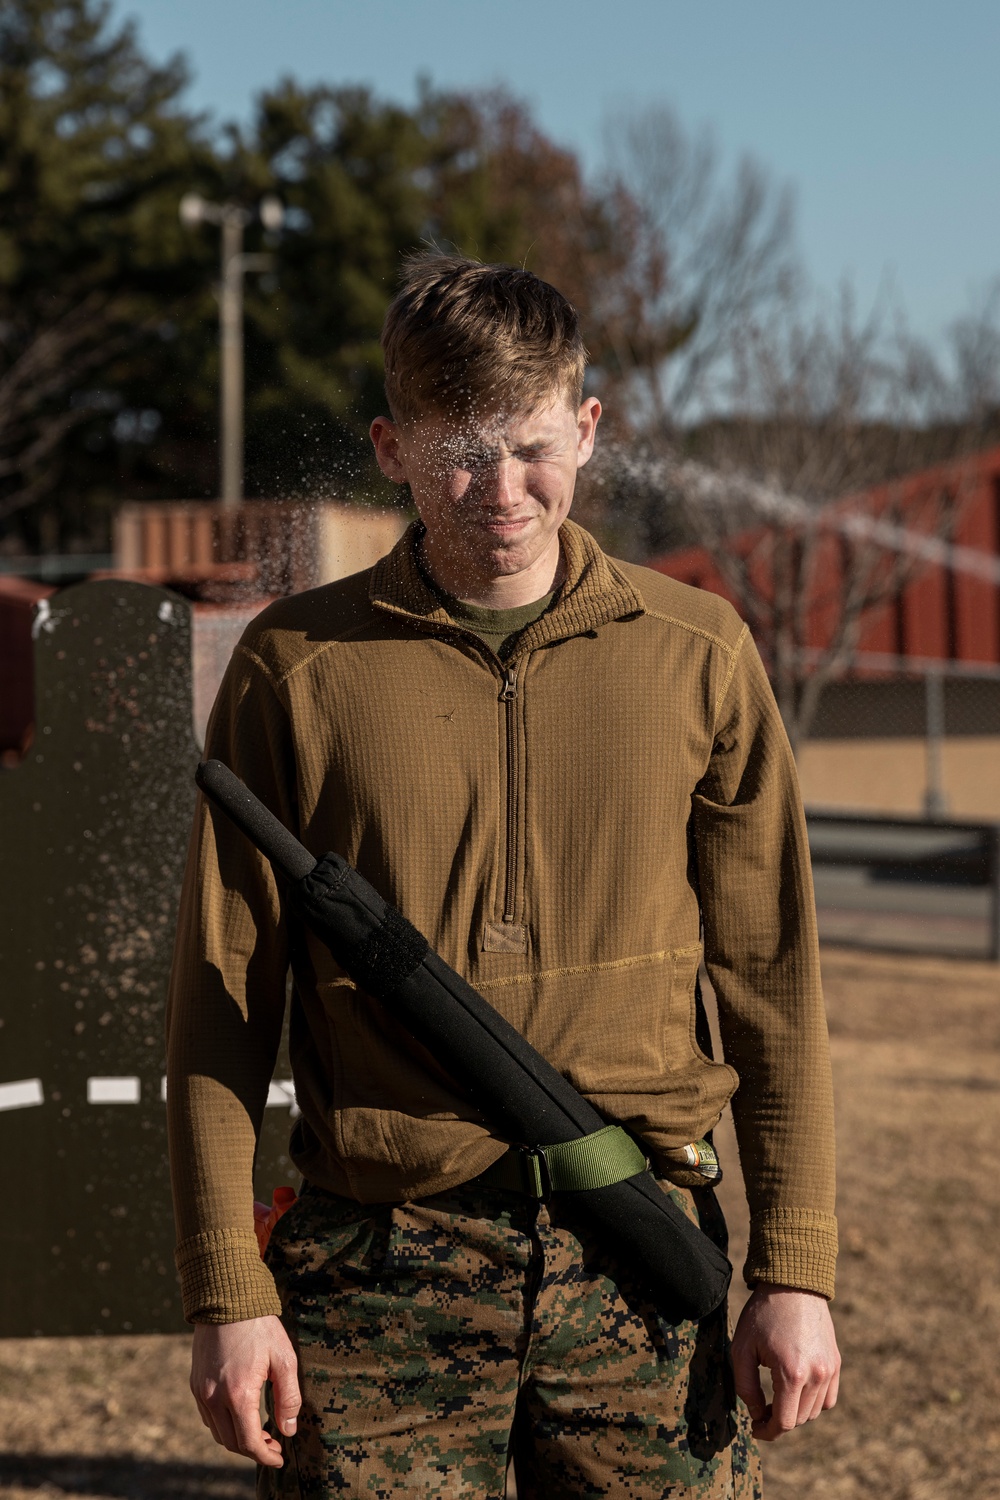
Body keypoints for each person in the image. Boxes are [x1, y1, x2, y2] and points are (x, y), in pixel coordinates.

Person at [166, 254, 840, 1499]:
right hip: (379, 1276)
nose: (500, 490)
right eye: (458, 450)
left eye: (532, 444)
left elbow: (770, 978)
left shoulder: (698, 652)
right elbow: (221, 998)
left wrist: (794, 1267)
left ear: (587, 429)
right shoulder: (293, 666)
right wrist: (226, 1285)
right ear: (388, 446)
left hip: (640, 1258)